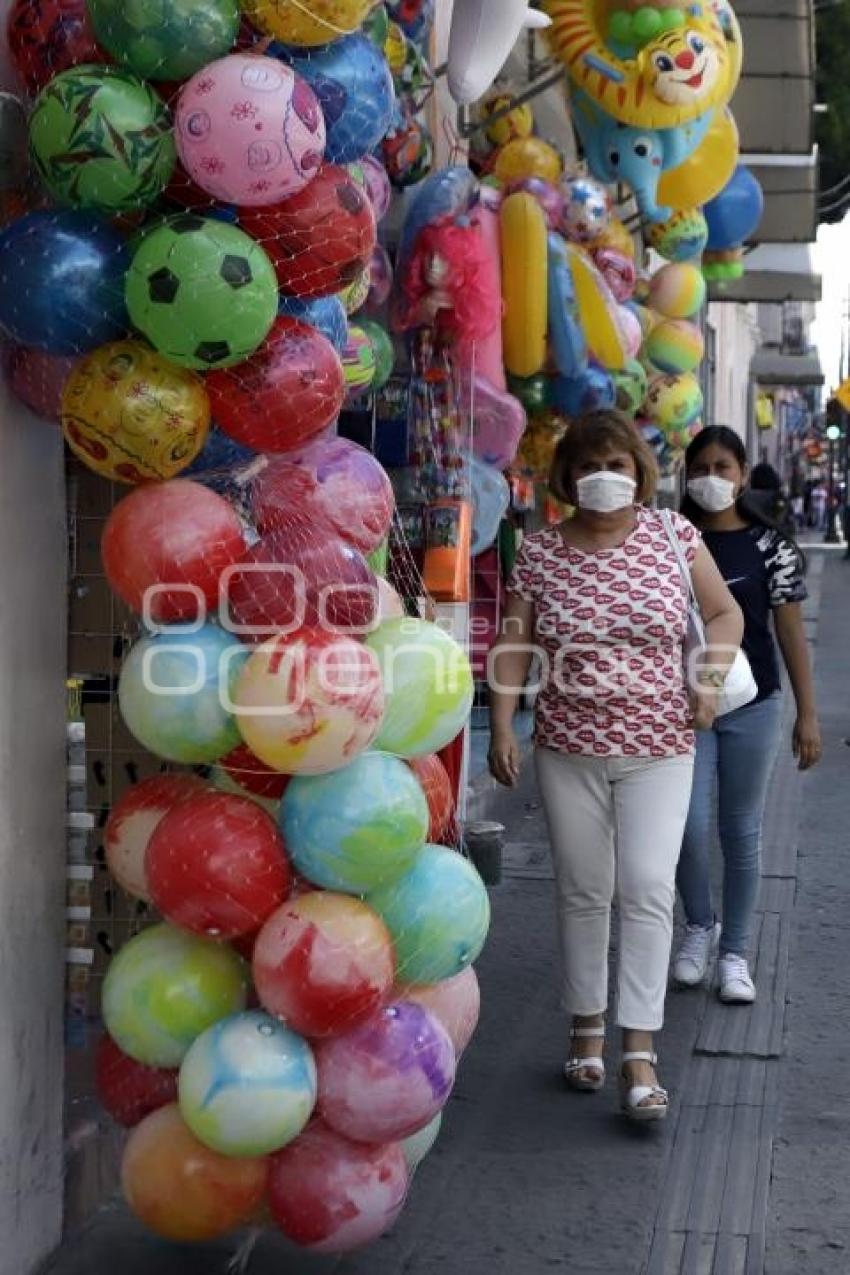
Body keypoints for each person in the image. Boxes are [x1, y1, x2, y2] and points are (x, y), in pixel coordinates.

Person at [488, 412, 742, 1123]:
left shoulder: (674, 537)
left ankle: (639, 1050)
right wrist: (502, 723)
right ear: (568, 475)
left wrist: (708, 679)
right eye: (593, 463)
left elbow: (724, 615)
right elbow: (515, 641)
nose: (607, 475)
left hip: (662, 745)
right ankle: (585, 1026)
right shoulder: (539, 553)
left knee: (646, 887)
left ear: (640, 472)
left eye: (620, 464)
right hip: (568, 746)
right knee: (583, 889)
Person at [672, 426, 822, 1003]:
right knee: (687, 825)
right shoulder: (674, 540)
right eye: (702, 467)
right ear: (688, 474)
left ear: (742, 472)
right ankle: (698, 928)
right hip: (687, 706)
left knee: (741, 830)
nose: (713, 478)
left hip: (754, 705)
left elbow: (788, 631)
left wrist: (806, 715)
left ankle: (734, 952)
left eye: (724, 467)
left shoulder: (770, 546)